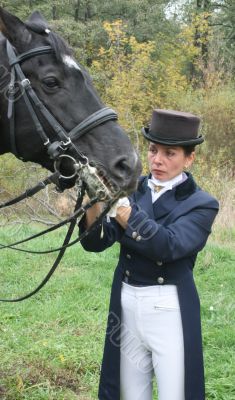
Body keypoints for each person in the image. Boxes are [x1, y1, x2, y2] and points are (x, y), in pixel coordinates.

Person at [79, 109, 219, 400]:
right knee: (130, 395)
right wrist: (94, 198)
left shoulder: (202, 203)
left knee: (175, 395)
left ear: (189, 158)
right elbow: (97, 242)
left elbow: (167, 246)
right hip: (127, 305)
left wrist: (121, 209)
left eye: (170, 153)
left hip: (169, 309)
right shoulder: (135, 188)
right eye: (153, 150)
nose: (157, 160)